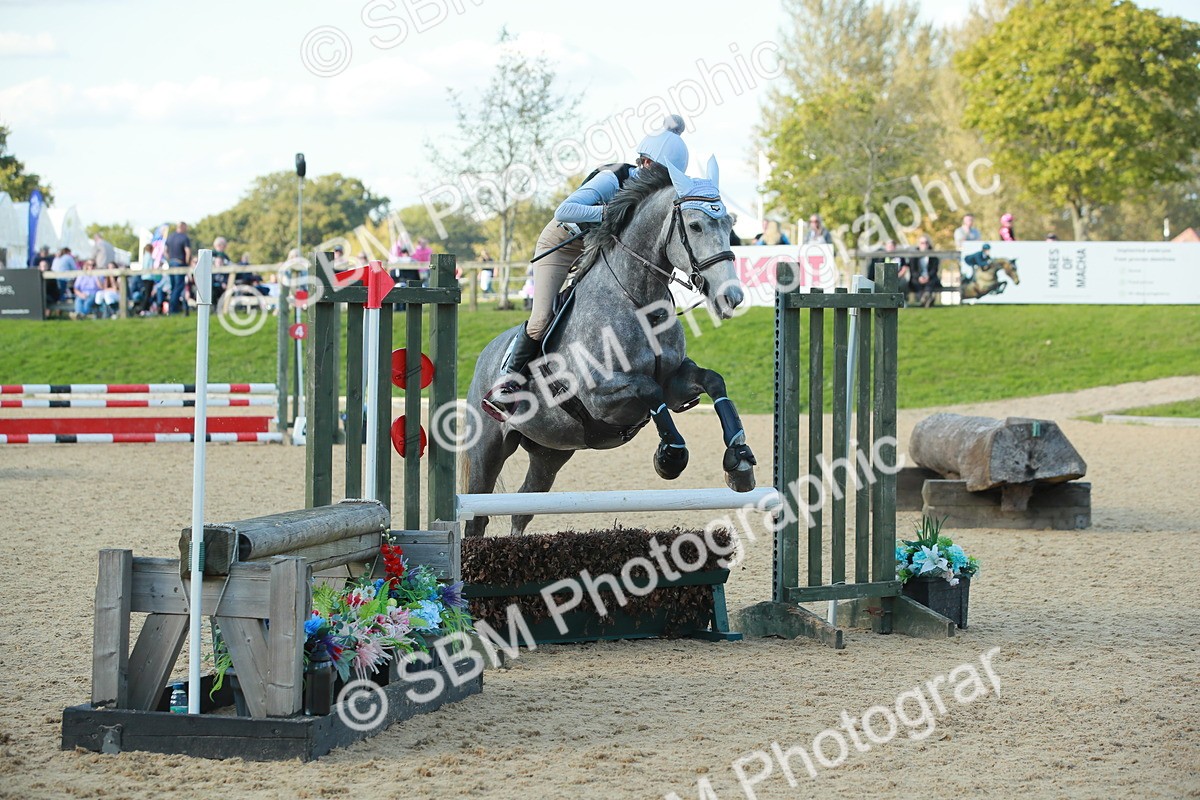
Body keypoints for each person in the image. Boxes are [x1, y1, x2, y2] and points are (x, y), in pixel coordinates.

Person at [481, 115, 690, 421]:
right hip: (563, 241)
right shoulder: (612, 178)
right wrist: (613, 210)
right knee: (542, 318)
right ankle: (508, 383)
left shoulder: (652, 191)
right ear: (644, 163)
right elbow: (565, 210)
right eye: (661, 174)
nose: (663, 184)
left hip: (600, 245)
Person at [907, 235, 941, 308]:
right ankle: (926, 299)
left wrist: (928, 276)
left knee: (931, 282)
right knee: (915, 283)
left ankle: (925, 298)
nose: (924, 245)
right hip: (917, 278)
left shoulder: (933, 257)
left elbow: (934, 270)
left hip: (930, 277)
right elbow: (913, 271)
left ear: (929, 244)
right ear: (919, 244)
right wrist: (919, 277)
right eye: (922, 243)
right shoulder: (914, 257)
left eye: (926, 243)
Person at [165, 221, 192, 313]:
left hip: (171, 264)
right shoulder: (184, 238)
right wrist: (187, 263)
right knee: (179, 287)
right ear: (183, 227)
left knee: (173, 287)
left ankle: (173, 308)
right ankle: (173, 309)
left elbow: (165, 251)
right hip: (180, 264)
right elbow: (188, 251)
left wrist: (170, 260)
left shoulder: (170, 237)